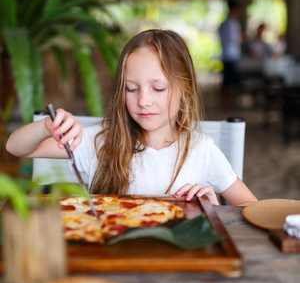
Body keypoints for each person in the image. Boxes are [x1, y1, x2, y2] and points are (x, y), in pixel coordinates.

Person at [6, 29, 257, 206]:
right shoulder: (99, 140)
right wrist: (46, 126)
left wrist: (215, 208)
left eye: (158, 88)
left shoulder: (202, 151)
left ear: (185, 91)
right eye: (131, 88)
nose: (143, 100)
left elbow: (249, 205)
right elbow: (15, 147)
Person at [219, 1, 242, 108]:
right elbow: (235, 39)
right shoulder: (232, 24)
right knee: (229, 82)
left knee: (227, 81)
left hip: (227, 55)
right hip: (231, 55)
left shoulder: (224, 24)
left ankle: (226, 103)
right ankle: (227, 103)